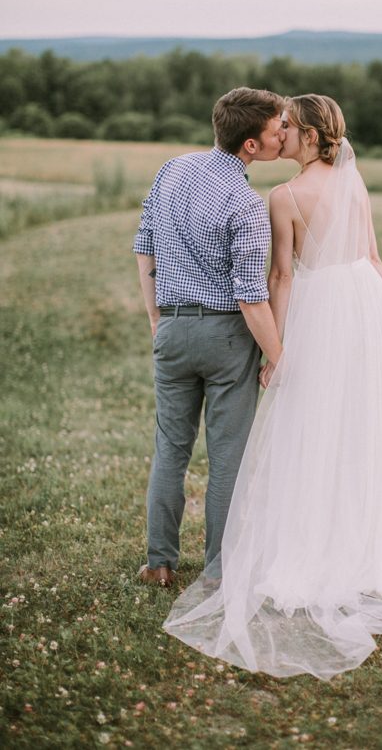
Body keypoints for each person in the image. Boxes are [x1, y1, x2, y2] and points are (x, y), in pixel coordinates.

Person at [164, 94, 382, 679]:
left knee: (308, 428)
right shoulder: (356, 184)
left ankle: (310, 551)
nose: (281, 136)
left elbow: (281, 275)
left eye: (289, 128)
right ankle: (359, 552)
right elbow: (376, 257)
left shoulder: (282, 198)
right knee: (356, 432)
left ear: (308, 136)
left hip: (320, 314)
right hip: (360, 306)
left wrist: (276, 350)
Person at [133, 87, 285, 588]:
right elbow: (250, 296)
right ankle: (220, 572)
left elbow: (144, 246)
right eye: (274, 129)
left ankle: (159, 563)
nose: (281, 134)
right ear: (251, 146)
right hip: (225, 339)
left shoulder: (172, 170)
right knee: (226, 459)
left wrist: (157, 318)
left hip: (173, 328)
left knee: (170, 450)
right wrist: (278, 356)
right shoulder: (247, 205)